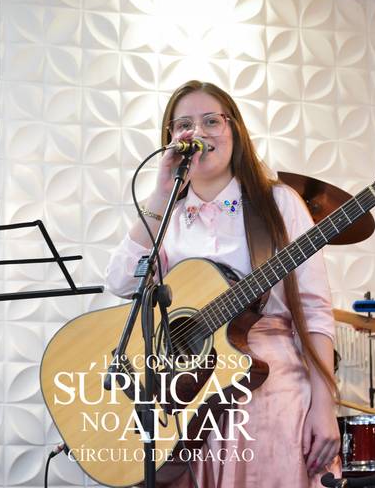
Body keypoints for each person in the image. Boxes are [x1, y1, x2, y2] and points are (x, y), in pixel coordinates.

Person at [105, 80, 340, 487]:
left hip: (269, 390)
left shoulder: (278, 203)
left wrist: (324, 405)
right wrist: (160, 195)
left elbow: (315, 312)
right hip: (185, 401)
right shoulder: (167, 216)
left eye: (211, 121)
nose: (197, 132)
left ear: (235, 130)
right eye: (184, 125)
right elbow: (121, 281)